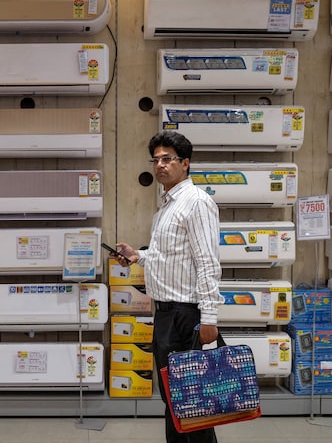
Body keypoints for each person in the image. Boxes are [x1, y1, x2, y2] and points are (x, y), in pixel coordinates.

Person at [111, 131, 223, 443]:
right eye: (156, 159)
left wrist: (209, 318)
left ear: (185, 163)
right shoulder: (166, 207)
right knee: (174, 401)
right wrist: (138, 256)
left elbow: (208, 262)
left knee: (193, 403)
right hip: (165, 315)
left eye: (168, 159)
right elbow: (168, 257)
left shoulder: (196, 202)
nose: (160, 164)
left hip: (185, 316)